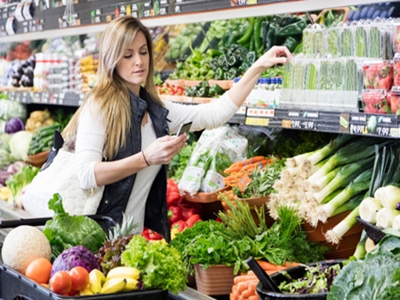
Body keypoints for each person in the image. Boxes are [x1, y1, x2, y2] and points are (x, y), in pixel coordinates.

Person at [62, 15, 291, 240]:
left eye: (143, 52)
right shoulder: (99, 106)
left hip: (131, 241)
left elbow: (214, 114)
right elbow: (86, 174)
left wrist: (259, 66)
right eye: (128, 55)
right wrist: (146, 158)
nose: (139, 61)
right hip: (97, 239)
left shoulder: (155, 110)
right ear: (112, 59)